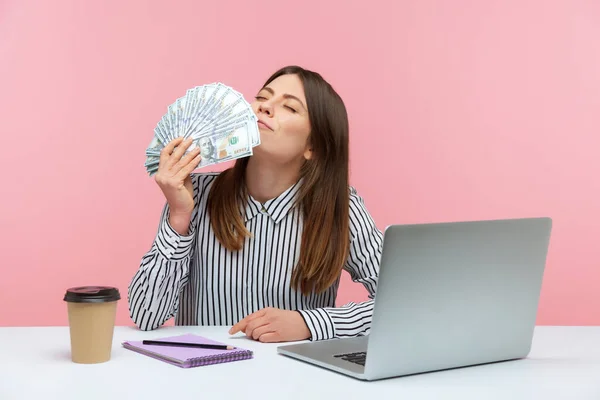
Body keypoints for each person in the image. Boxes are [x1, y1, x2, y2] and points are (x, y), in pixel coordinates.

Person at [128, 65, 383, 343]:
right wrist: (179, 215)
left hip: (298, 380)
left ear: (314, 147)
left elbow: (402, 303)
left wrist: (309, 323)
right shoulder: (194, 195)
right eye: (262, 98)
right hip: (203, 377)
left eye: (290, 108)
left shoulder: (340, 209)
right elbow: (146, 315)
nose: (264, 108)